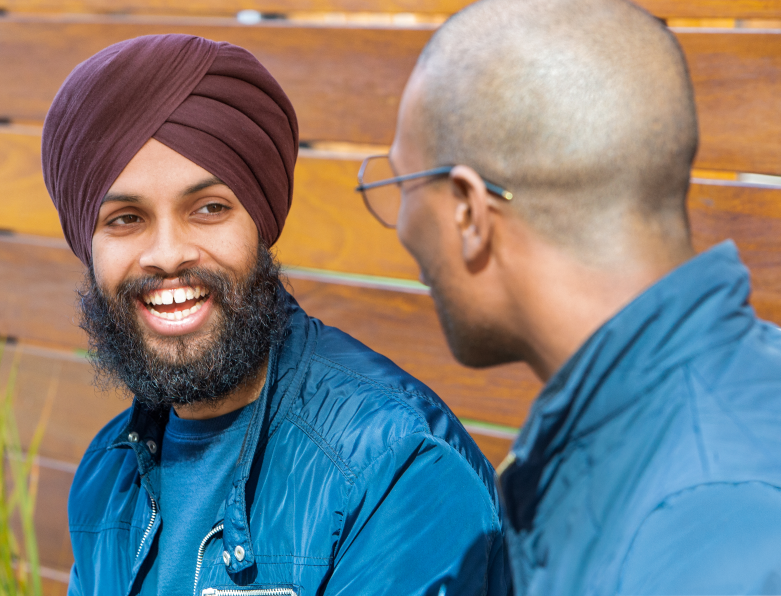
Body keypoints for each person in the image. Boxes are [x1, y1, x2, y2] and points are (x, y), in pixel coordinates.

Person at [41, 34, 509, 596]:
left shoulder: (395, 467)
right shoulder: (106, 474)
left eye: (209, 209)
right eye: (125, 219)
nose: (167, 254)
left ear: (260, 222)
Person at [363, 0, 781, 595]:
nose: (400, 226)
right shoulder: (625, 431)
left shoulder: (706, 526)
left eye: (404, 186)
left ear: (470, 212)